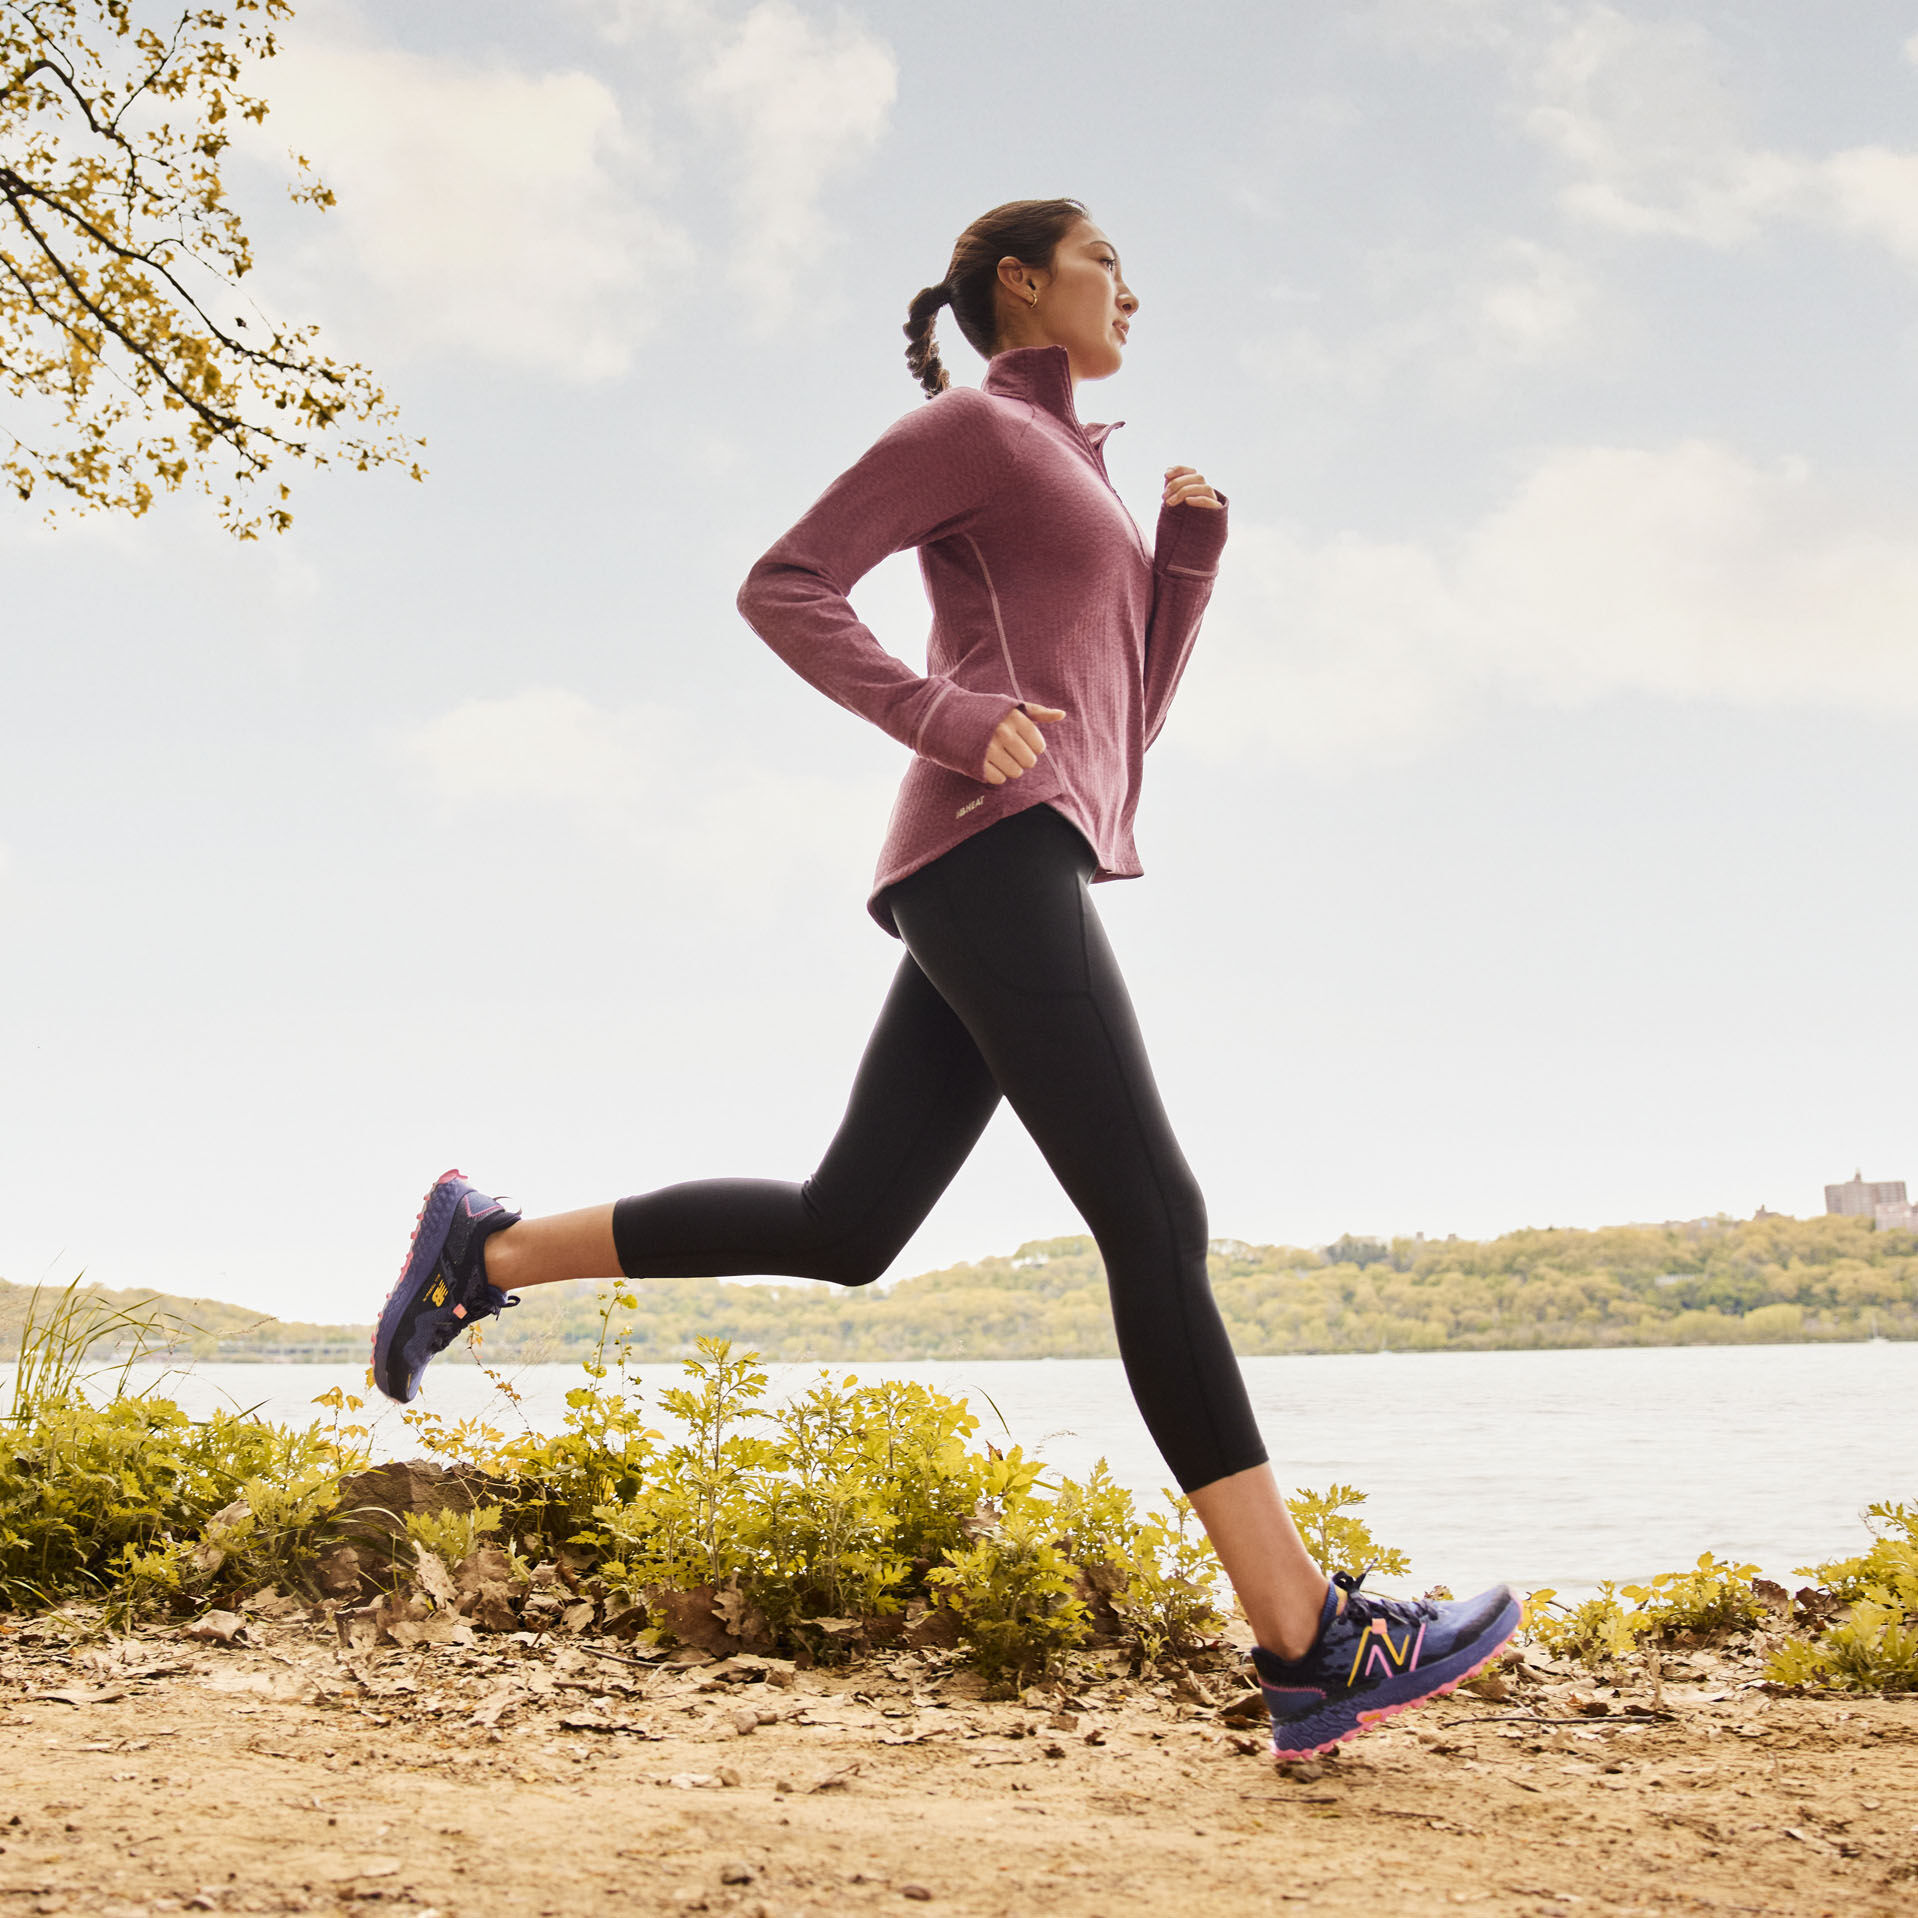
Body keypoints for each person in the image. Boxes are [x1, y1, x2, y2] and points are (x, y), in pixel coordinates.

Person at [370, 198, 1518, 1757]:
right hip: (985, 846)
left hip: (1010, 854)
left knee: (850, 1224)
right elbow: (783, 584)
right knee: (1155, 1219)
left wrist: (1185, 567)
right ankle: (1306, 1634)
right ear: (1021, 285)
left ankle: (487, 1252)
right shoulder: (975, 429)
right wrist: (941, 716)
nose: (1135, 284)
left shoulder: (1085, 473)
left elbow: (1121, 719)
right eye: (1109, 258)